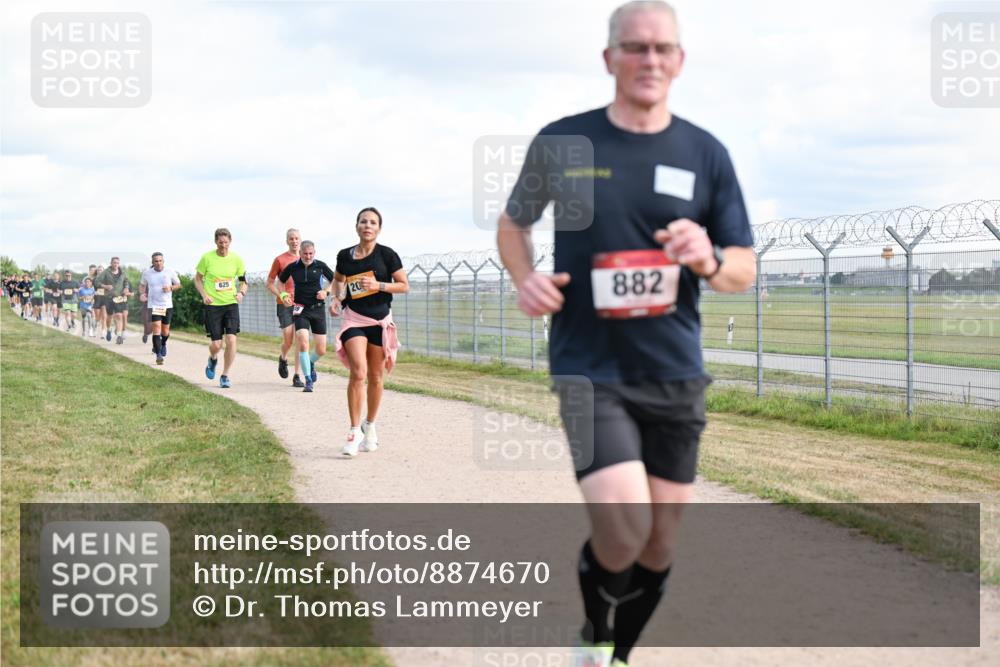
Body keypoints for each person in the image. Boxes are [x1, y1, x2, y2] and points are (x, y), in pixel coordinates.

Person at [496, 3, 756, 666]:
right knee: (624, 527)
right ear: (609, 58)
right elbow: (512, 224)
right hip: (589, 367)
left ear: (679, 60)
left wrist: (709, 258)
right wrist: (525, 277)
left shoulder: (705, 153)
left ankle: (616, 654)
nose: (649, 60)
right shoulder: (563, 143)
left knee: (659, 542)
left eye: (662, 48)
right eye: (635, 48)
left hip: (674, 372)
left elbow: (743, 269)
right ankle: (594, 629)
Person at [331, 207, 407, 457]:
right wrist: (336, 298)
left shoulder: (387, 255)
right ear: (356, 226)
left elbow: (404, 286)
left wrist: (378, 285)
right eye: (363, 221)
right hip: (354, 319)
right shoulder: (344, 256)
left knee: (376, 376)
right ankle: (354, 432)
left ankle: (369, 425)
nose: (367, 225)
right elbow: (338, 280)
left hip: (379, 321)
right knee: (359, 372)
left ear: (379, 228)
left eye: (373, 222)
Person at [277, 241, 334, 393]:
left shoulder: (320, 266)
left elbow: (335, 281)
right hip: (300, 309)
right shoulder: (293, 267)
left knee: (321, 350)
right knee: (302, 341)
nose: (308, 256)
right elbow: (280, 282)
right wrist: (283, 295)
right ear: (300, 253)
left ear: (314, 253)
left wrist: (326, 292)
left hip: (318, 309)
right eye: (305, 253)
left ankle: (310, 362)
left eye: (311, 253)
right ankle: (308, 380)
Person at [194, 228, 247, 389]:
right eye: (220, 242)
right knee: (217, 344)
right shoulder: (207, 258)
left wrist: (241, 293)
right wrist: (204, 295)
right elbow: (197, 279)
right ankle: (213, 358)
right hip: (213, 306)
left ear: (230, 241)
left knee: (231, 340)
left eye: (225, 242)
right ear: (216, 242)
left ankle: (225, 375)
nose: (223, 245)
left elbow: (244, 280)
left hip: (230, 304)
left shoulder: (237, 259)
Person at [267, 228, 306, 386]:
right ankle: (283, 357)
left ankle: (297, 375)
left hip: (302, 303)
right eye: (291, 239)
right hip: (284, 304)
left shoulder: (306, 259)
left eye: (297, 238)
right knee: (288, 339)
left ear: (300, 240)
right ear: (287, 241)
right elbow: (269, 283)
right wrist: (281, 295)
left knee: (300, 338)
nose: (294, 241)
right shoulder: (280, 260)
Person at [140, 252, 182, 365]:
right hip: (154, 305)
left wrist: (170, 288)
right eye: (156, 261)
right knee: (156, 329)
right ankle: (158, 355)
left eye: (160, 261)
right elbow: (142, 285)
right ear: (152, 262)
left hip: (167, 305)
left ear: (163, 261)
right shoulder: (147, 273)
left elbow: (178, 284)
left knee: (165, 331)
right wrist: (142, 294)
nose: (158, 263)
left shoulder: (170, 271)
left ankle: (163, 344)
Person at [97, 257, 132, 344]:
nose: (116, 264)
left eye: (117, 263)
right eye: (114, 263)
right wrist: (105, 286)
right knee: (109, 317)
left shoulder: (122, 272)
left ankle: (119, 336)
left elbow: (126, 281)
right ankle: (108, 329)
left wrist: (126, 288)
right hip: (108, 297)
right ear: (111, 263)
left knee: (119, 316)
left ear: (118, 264)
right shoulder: (105, 272)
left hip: (119, 298)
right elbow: (97, 282)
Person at [90, 264, 108, 338]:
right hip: (97, 299)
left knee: (104, 316)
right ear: (96, 272)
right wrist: (94, 292)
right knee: (98, 317)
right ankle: (95, 326)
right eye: (98, 270)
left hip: (105, 298)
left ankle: (103, 332)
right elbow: (90, 290)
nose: (99, 271)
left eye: (101, 270)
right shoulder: (94, 280)